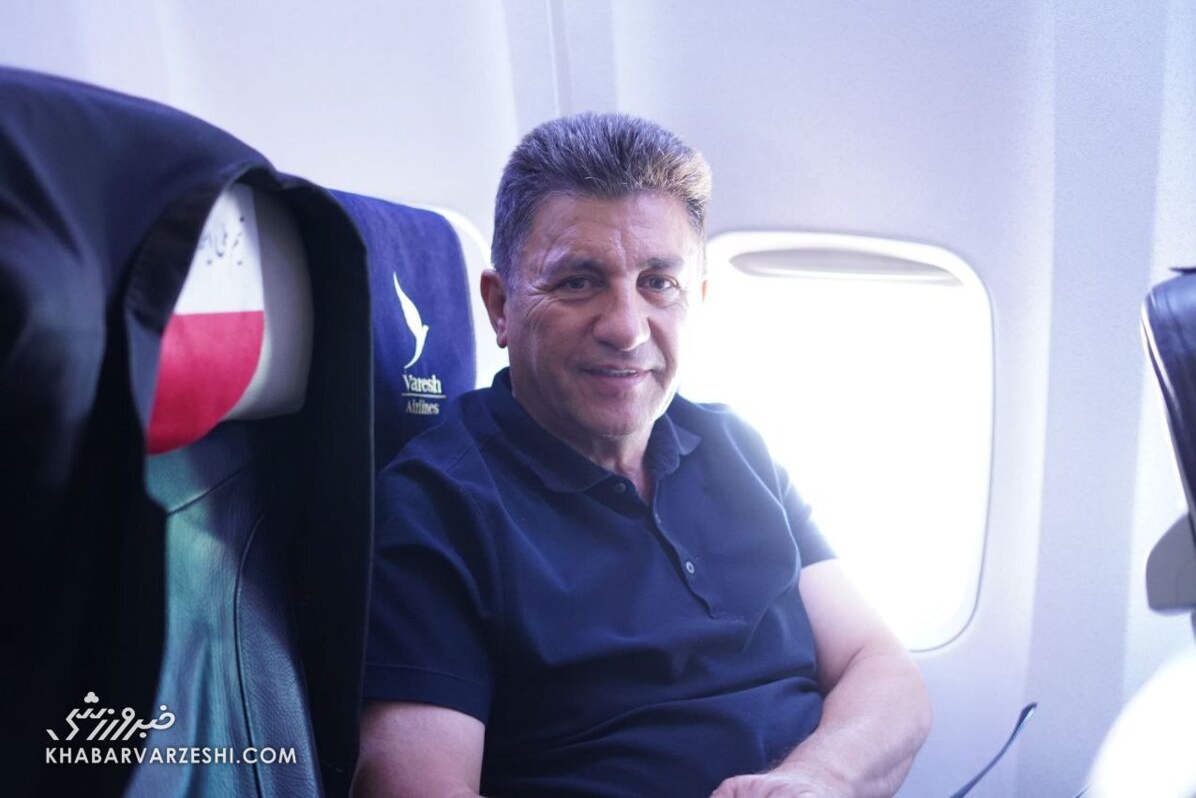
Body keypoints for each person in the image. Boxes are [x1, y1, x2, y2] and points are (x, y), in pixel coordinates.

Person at [353, 112, 932, 798]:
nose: (627, 329)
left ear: (697, 300)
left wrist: (818, 778)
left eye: (659, 282)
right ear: (501, 306)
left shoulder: (735, 449)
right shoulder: (437, 507)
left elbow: (881, 668)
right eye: (578, 282)